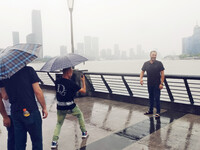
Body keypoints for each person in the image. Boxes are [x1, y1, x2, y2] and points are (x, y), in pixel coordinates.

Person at [1, 66, 48, 150]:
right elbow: (37, 91)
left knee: (19, 143)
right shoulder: (29, 70)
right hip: (31, 110)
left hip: (15, 112)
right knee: (36, 142)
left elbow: (5, 96)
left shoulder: (4, 75)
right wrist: (44, 107)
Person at [51, 67, 88, 149]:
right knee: (80, 115)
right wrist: (83, 81)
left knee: (59, 123)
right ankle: (84, 133)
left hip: (60, 106)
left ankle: (54, 142)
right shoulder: (71, 83)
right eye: (71, 72)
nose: (71, 73)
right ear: (68, 72)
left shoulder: (57, 82)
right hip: (70, 106)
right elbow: (84, 91)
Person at [140, 50, 165, 118]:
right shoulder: (146, 63)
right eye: (153, 54)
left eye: (155, 55)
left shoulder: (159, 63)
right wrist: (141, 79)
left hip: (157, 84)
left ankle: (158, 112)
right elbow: (142, 71)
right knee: (150, 97)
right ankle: (150, 110)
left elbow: (162, 74)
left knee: (157, 98)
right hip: (149, 84)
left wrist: (161, 83)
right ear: (150, 55)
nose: (154, 56)